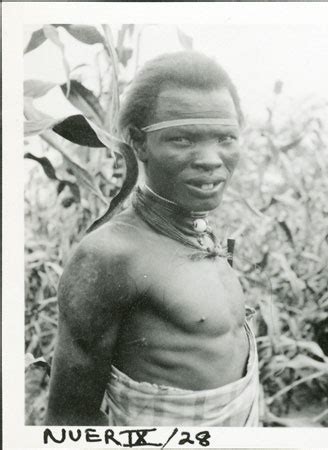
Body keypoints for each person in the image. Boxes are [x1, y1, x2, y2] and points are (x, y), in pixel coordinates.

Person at [45, 51, 259, 426]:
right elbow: (68, 421)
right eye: (182, 139)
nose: (210, 158)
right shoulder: (110, 255)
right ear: (139, 144)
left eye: (226, 137)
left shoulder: (200, 234)